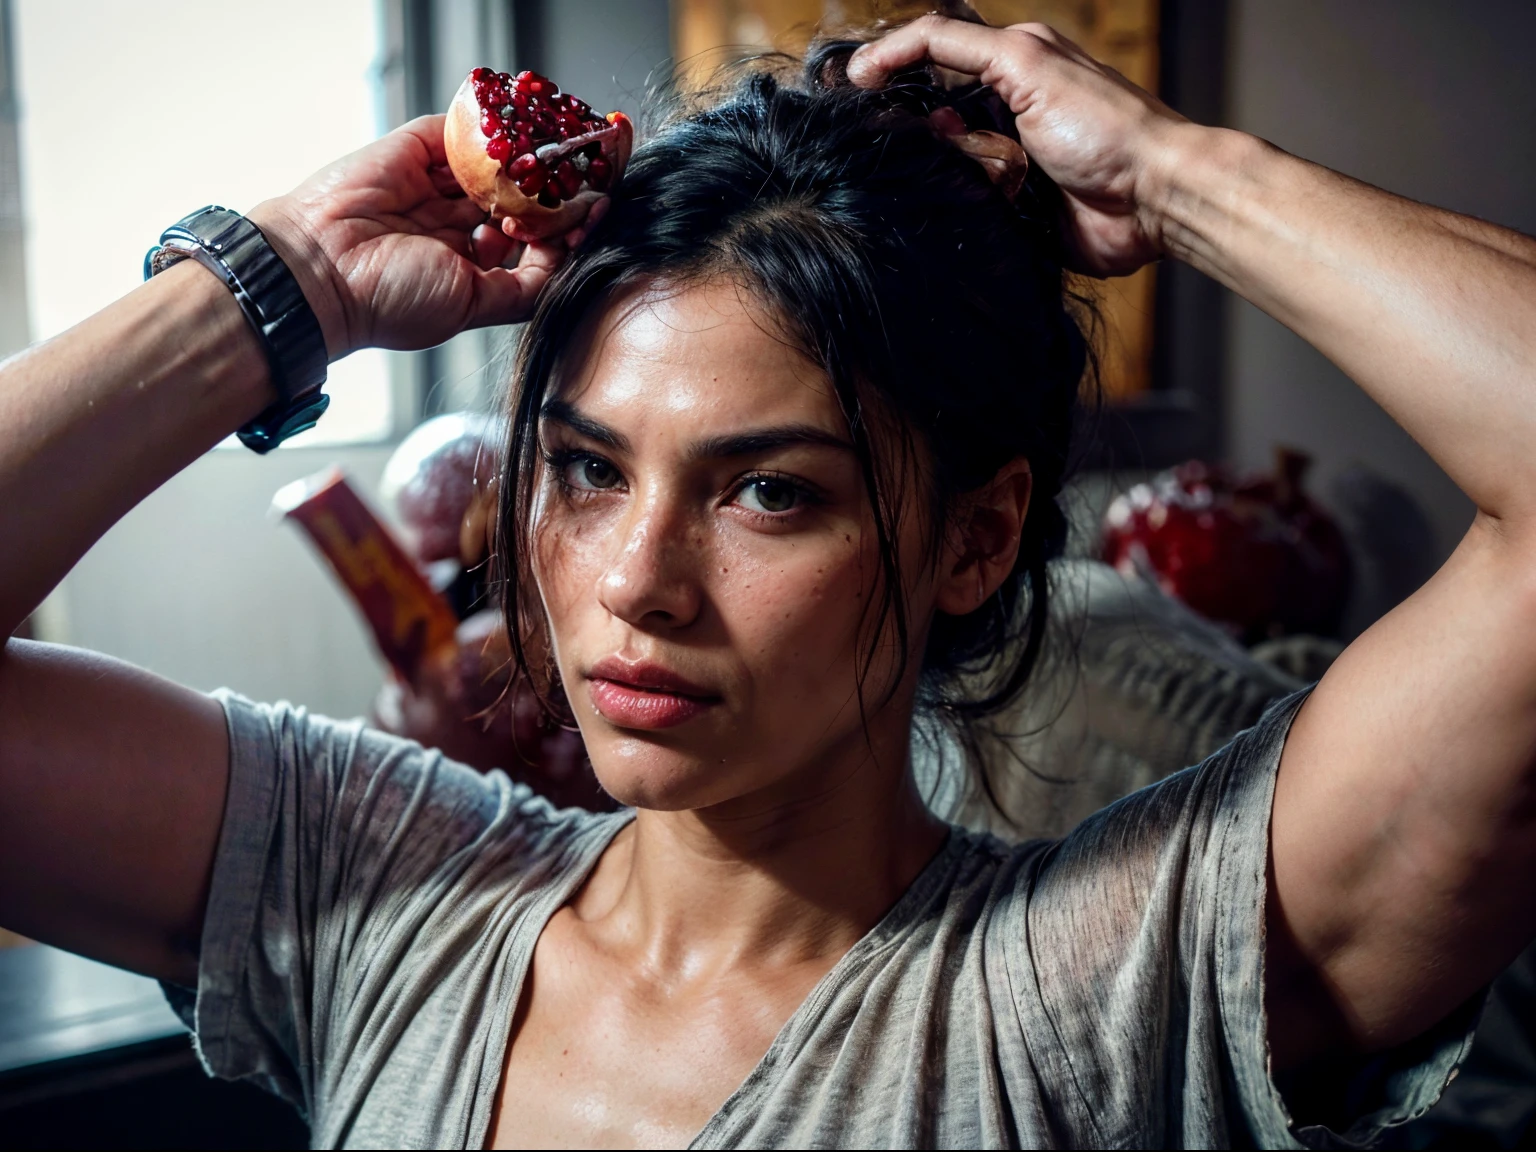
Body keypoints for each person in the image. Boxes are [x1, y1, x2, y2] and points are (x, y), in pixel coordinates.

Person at [2, 14, 1535, 1148]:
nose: (636, 582)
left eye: (767, 492)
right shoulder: (384, 890)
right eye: (589, 470)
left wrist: (1174, 170)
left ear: (975, 540)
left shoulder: (1096, 991)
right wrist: (287, 282)